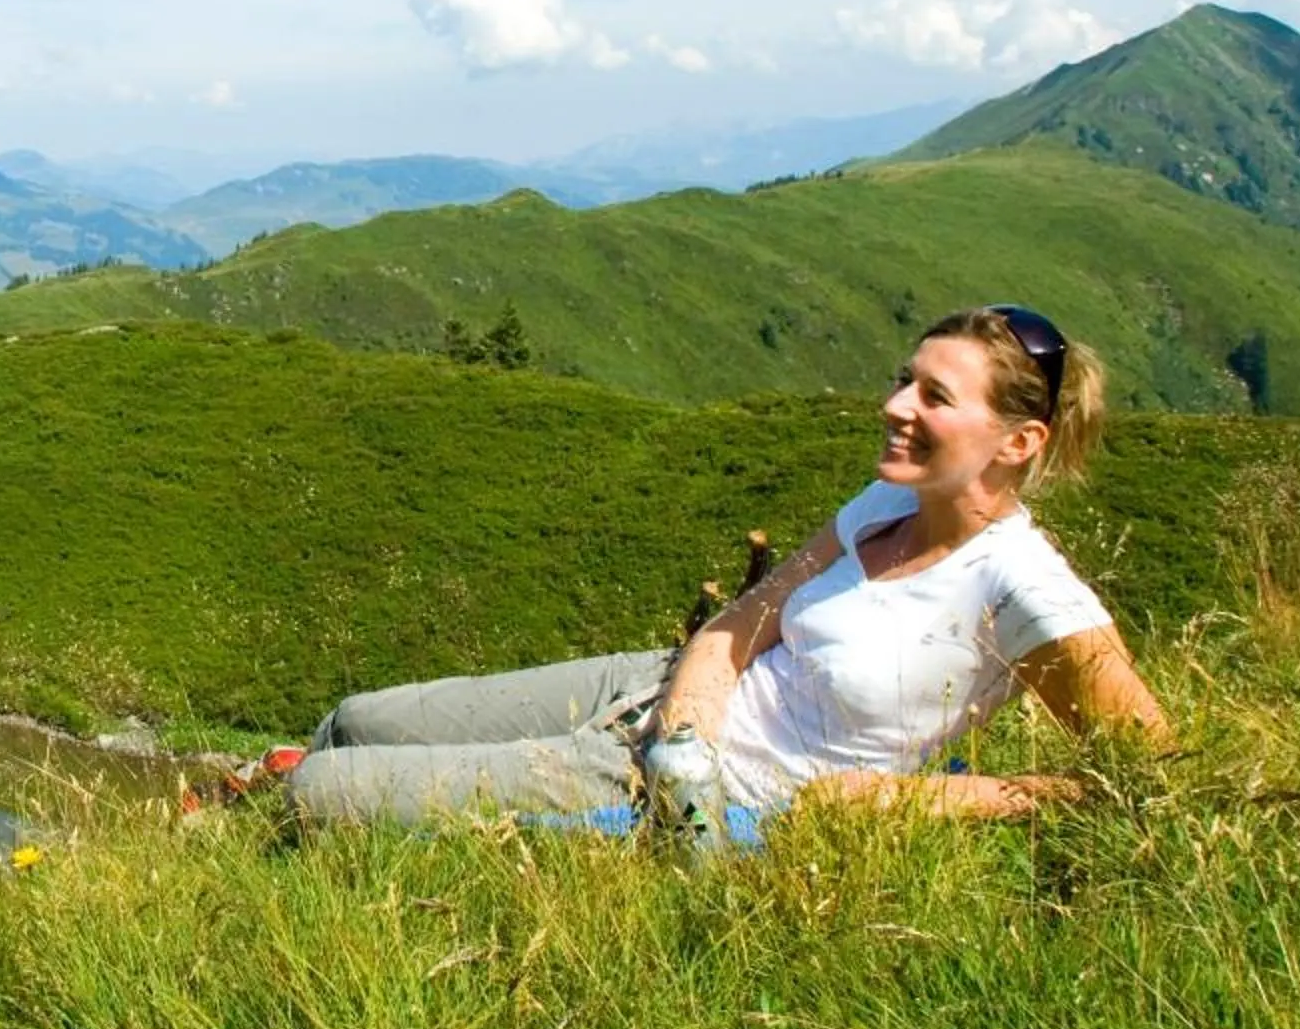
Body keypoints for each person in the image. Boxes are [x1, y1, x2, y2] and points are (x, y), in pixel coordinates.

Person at [286, 305, 1172, 829]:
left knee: (322, 794)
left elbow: (1147, 776)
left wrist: (936, 802)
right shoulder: (888, 505)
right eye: (906, 379)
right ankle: (229, 795)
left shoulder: (1027, 589)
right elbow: (742, 626)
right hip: (654, 701)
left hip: (672, 790)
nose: (893, 405)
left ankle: (236, 831)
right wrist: (685, 723)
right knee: (357, 719)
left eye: (933, 396)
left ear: (1018, 441)